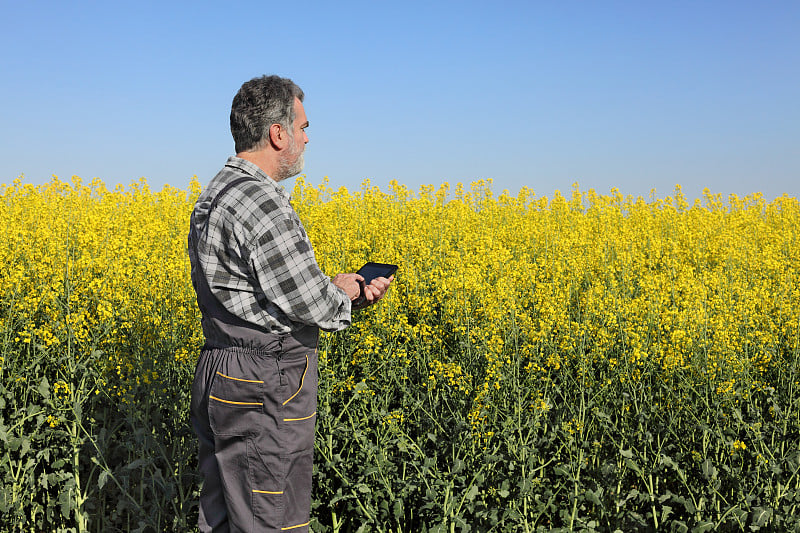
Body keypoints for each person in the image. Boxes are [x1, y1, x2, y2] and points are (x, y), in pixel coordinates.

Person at [188, 75, 393, 532]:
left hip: (221, 369)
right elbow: (309, 301)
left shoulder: (215, 193)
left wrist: (332, 287)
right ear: (277, 134)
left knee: (224, 516)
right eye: (301, 126)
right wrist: (351, 292)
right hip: (263, 382)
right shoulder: (262, 203)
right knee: (269, 518)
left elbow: (266, 291)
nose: (306, 137)